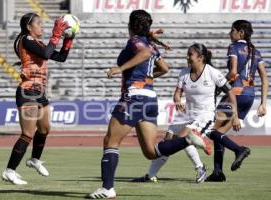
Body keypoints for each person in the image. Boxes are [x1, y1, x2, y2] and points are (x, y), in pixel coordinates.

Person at [87, 10, 210, 199]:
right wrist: (147, 76)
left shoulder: (138, 42)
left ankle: (107, 188)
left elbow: (144, 53)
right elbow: (165, 68)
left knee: (110, 142)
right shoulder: (151, 45)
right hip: (150, 98)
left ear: (131, 25)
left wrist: (120, 68)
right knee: (152, 152)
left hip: (134, 97)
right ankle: (187, 140)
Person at [132, 43, 242, 184]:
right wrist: (177, 101)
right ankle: (150, 175)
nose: (187, 57)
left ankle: (200, 167)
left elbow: (231, 93)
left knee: (184, 137)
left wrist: (235, 116)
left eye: (190, 54)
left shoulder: (213, 72)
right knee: (168, 141)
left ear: (200, 57)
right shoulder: (184, 73)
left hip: (204, 115)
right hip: (186, 114)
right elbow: (177, 94)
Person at [1, 13, 74, 185]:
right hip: (28, 91)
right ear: (29, 27)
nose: (42, 26)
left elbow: (61, 58)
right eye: (39, 23)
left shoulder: (38, 43)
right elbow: (47, 54)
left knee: (44, 129)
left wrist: (69, 39)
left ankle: (34, 159)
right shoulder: (26, 39)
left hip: (40, 92)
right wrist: (56, 35)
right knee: (27, 134)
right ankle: (9, 171)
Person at [205, 20, 268, 182]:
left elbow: (233, 73)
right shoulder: (256, 51)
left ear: (240, 33)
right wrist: (263, 103)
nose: (229, 33)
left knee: (211, 130)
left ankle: (239, 149)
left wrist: (219, 86)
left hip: (235, 93)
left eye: (232, 30)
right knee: (219, 134)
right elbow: (264, 78)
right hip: (249, 96)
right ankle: (218, 173)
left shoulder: (234, 47)